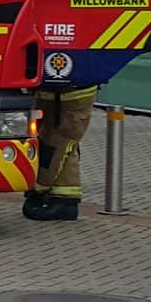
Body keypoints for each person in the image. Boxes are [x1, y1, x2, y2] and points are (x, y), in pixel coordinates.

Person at [26, 85, 98, 221]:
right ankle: (64, 199)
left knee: (60, 143)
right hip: (56, 92)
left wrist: (38, 189)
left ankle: (55, 194)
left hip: (68, 93)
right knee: (65, 145)